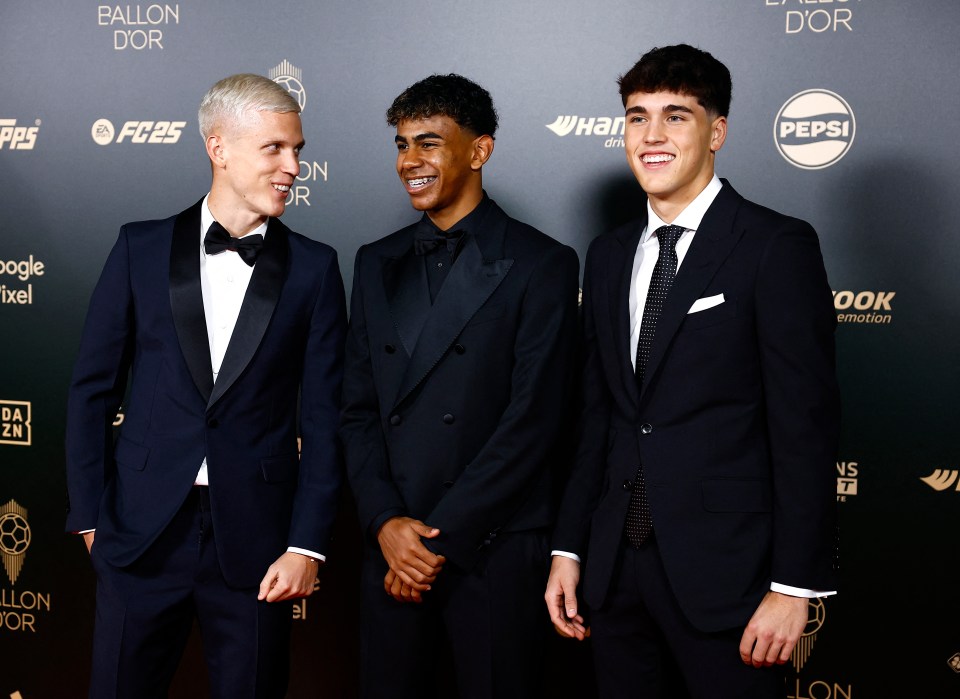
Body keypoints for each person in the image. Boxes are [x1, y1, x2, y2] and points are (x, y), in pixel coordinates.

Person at [545, 44, 840, 698]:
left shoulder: (773, 245)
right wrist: (569, 546)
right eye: (636, 116)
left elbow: (805, 427)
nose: (651, 135)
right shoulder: (609, 253)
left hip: (729, 578)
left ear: (717, 131)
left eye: (675, 116)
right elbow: (598, 417)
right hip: (615, 571)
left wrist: (793, 587)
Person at [65, 73, 346, 699]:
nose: (293, 166)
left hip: (257, 545)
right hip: (139, 535)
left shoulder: (315, 268)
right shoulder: (139, 247)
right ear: (218, 147)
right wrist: (89, 519)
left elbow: (326, 419)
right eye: (274, 148)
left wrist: (306, 545)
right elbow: (91, 392)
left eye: (297, 149)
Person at [340, 73, 579, 699]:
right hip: (392, 549)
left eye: (428, 143)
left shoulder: (543, 263)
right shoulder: (373, 260)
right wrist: (387, 522)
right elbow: (357, 409)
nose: (409, 162)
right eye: (401, 145)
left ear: (480, 150)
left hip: (492, 549)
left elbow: (533, 420)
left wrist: (437, 541)